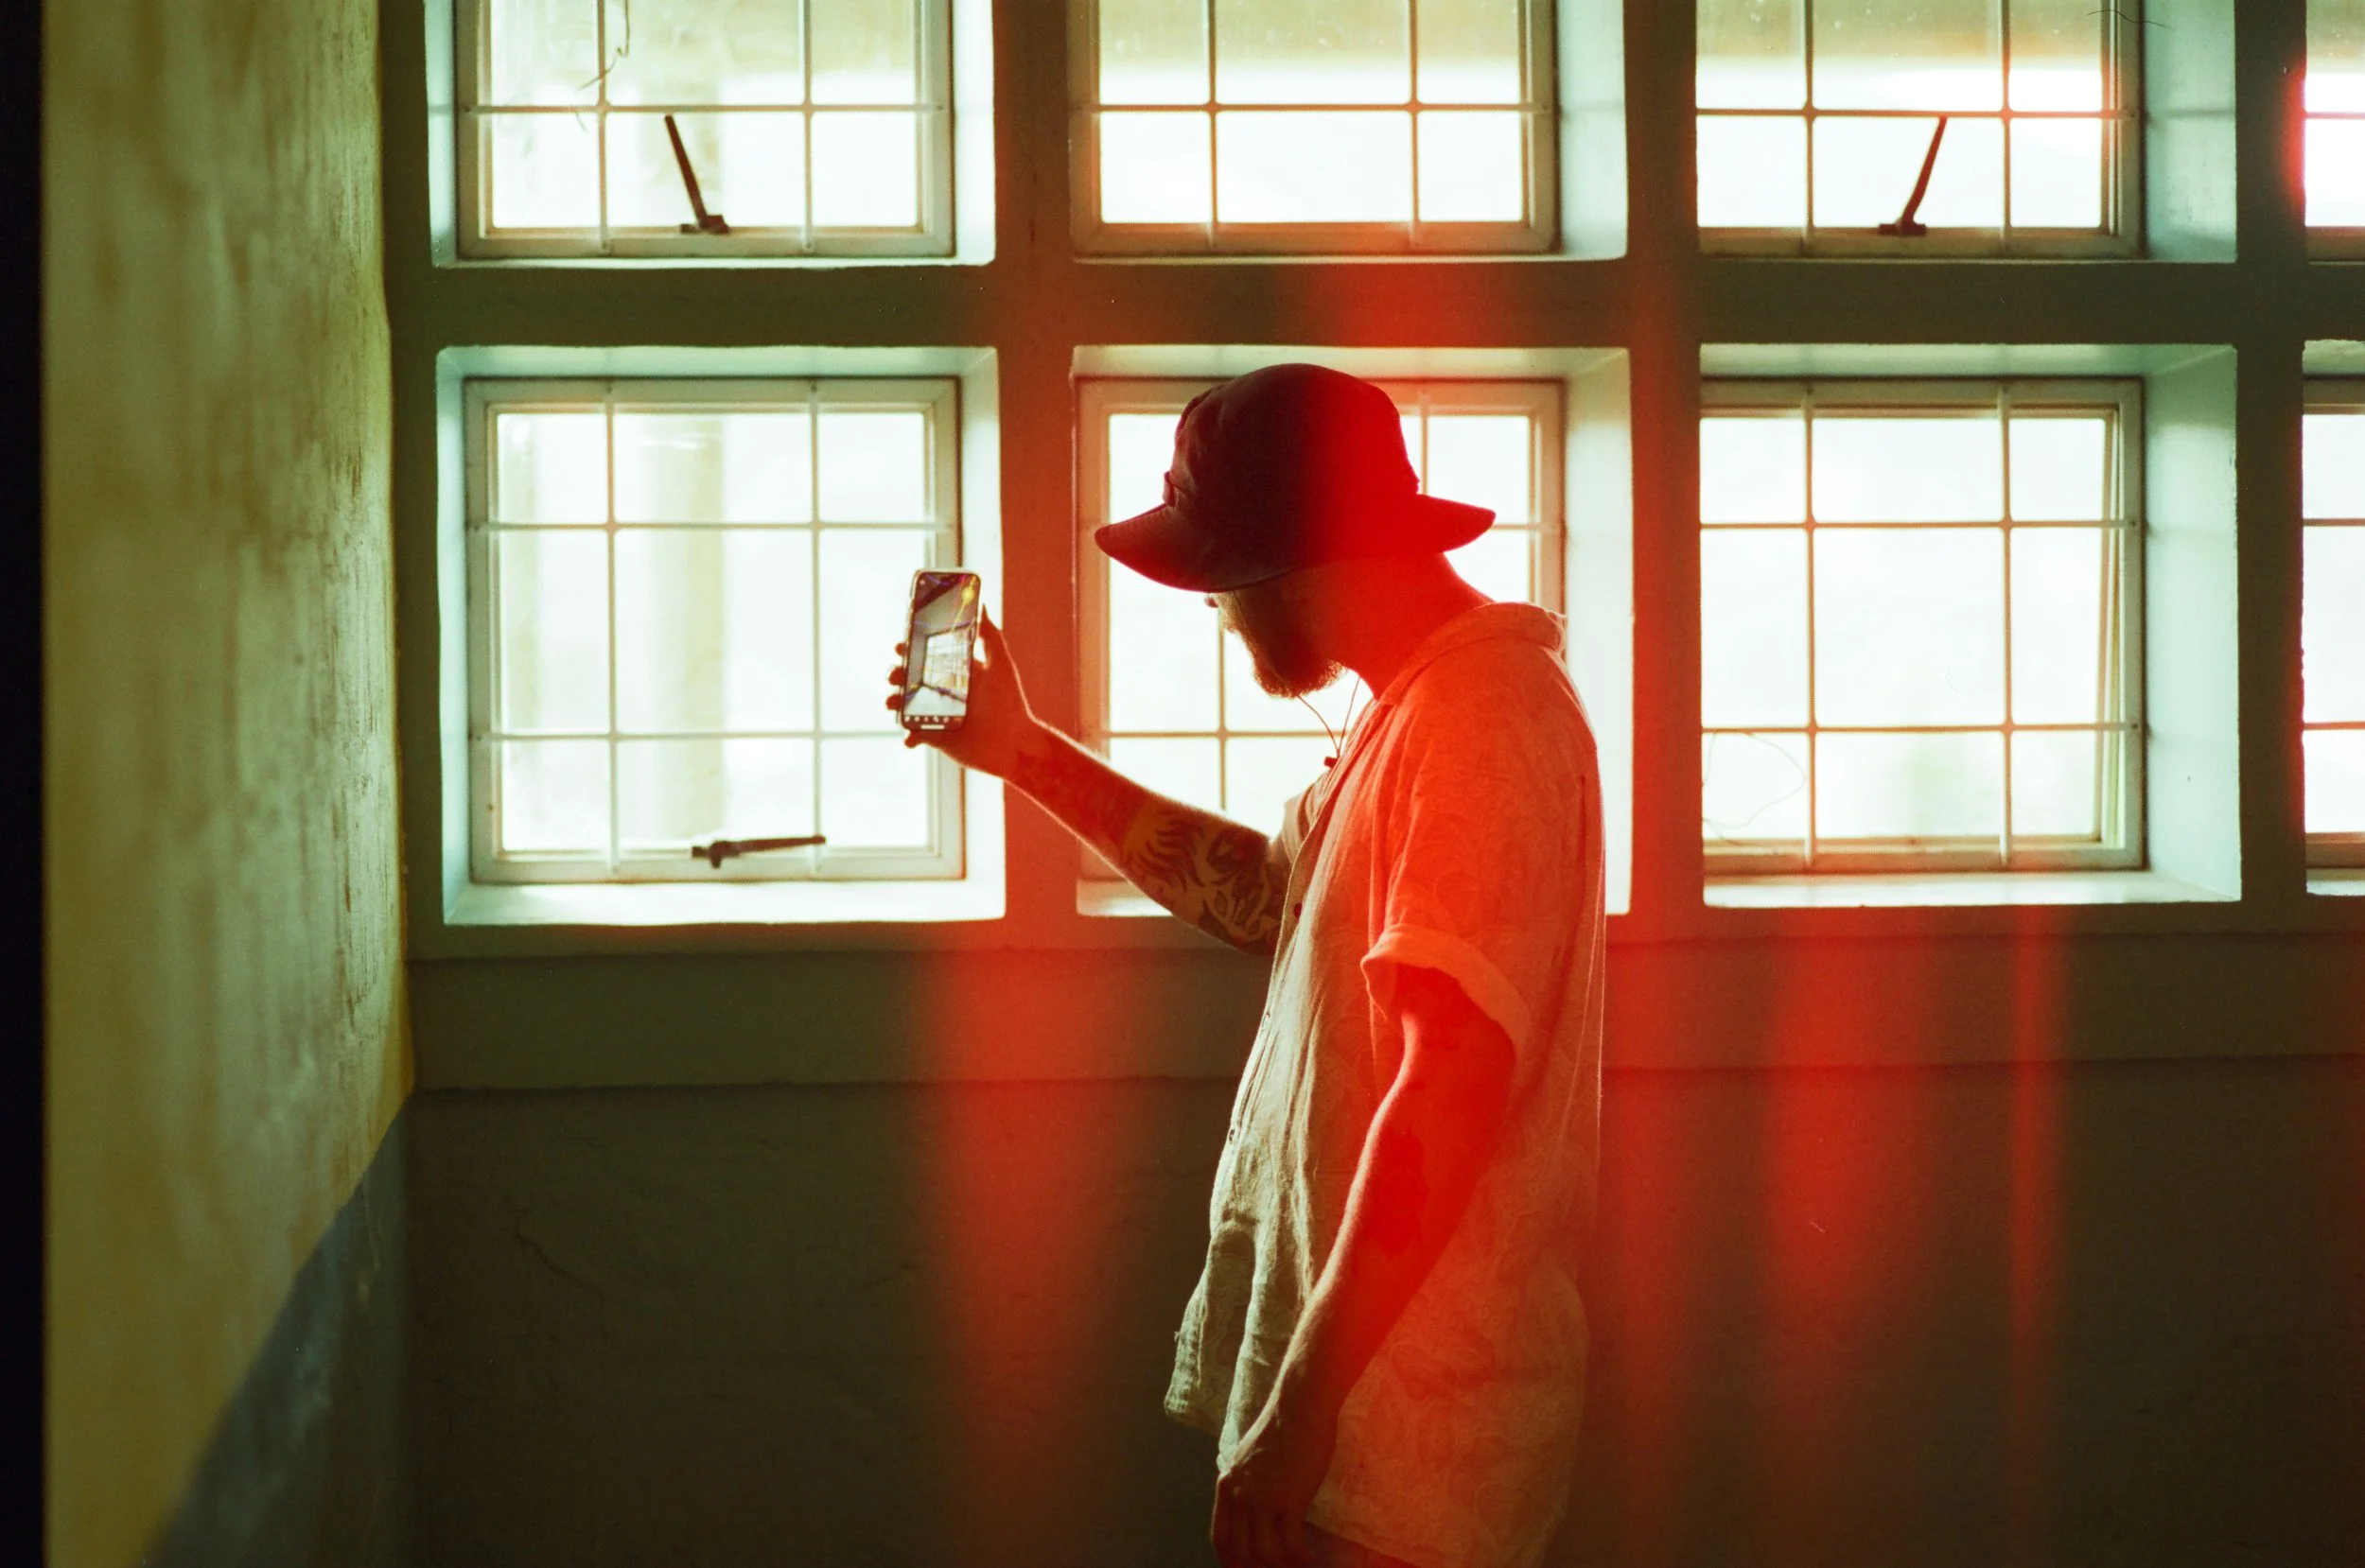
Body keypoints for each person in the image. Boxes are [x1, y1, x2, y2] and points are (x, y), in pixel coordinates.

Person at [885, 363, 1606, 1568]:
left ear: (1305, 553)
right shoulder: (1414, 710)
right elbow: (1275, 897)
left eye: (1221, 576)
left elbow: (1450, 1086)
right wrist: (1020, 752)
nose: (1214, 610)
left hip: (1405, 1438)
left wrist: (1301, 1412)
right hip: (1364, 1424)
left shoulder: (1484, 719)